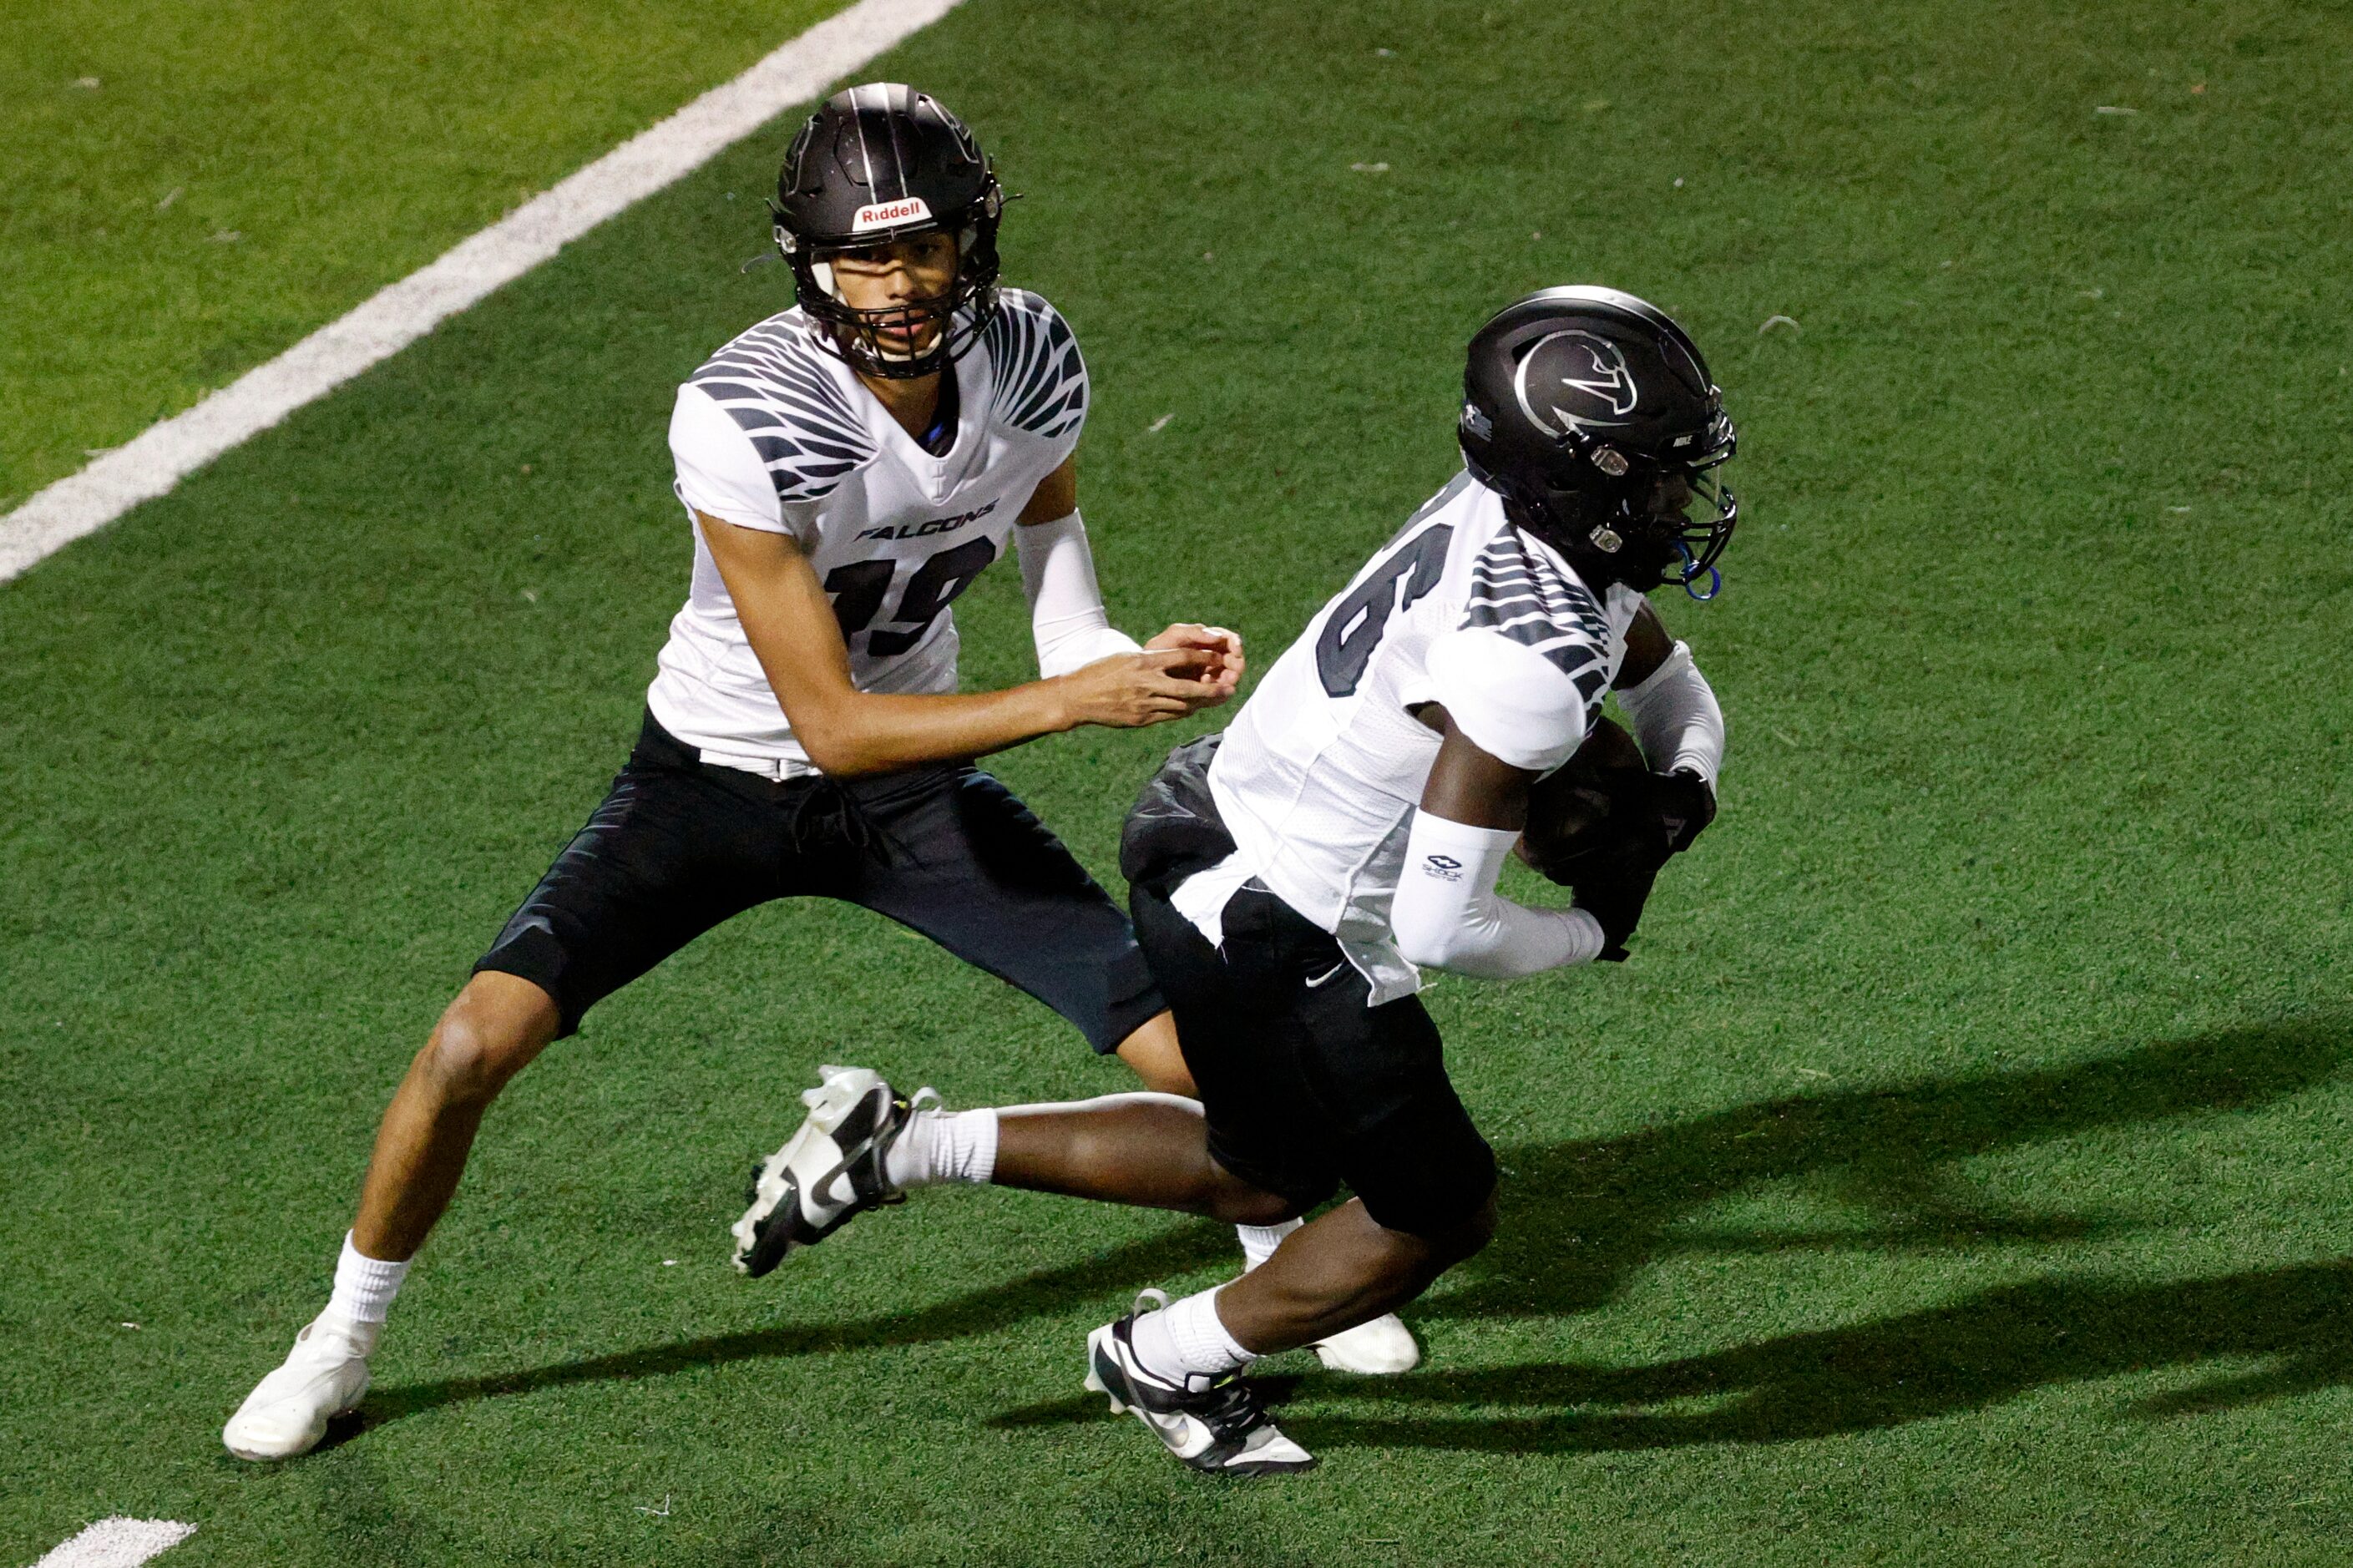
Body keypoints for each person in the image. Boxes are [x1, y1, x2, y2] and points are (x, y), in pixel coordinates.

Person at [223, 83, 1416, 1464]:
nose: (900, 285)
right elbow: (831, 725)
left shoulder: (1029, 355)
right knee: (469, 1045)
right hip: (717, 781)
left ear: (975, 243)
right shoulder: (745, 411)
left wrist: (1113, 656)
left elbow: (1055, 567)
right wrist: (1073, 701)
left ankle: (1265, 1254)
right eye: (864, 254)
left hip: (912, 792)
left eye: (923, 250)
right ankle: (342, 1335)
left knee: (1211, 1061)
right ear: (811, 260)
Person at [726, 285, 1739, 1474]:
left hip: (1204, 822)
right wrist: (1586, 930)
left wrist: (1680, 794)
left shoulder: (1513, 517)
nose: (1679, 498)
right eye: (1658, 474)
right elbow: (1440, 922)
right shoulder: (1528, 652)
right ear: (1578, 480)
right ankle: (1164, 1356)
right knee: (1435, 1207)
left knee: (1265, 1165)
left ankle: (896, 1148)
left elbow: (1669, 692)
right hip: (1278, 913)